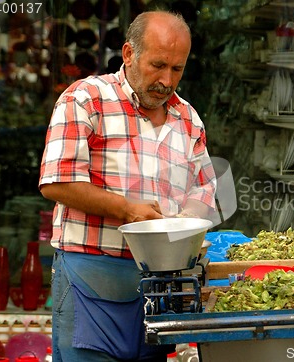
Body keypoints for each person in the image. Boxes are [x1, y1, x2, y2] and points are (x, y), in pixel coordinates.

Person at [39, 11, 216, 361]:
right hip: (91, 275)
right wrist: (127, 210)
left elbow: (204, 187)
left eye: (177, 69)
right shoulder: (86, 98)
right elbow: (56, 182)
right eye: (158, 65)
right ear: (129, 53)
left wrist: (188, 223)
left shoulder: (187, 118)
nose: (166, 81)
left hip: (160, 286)